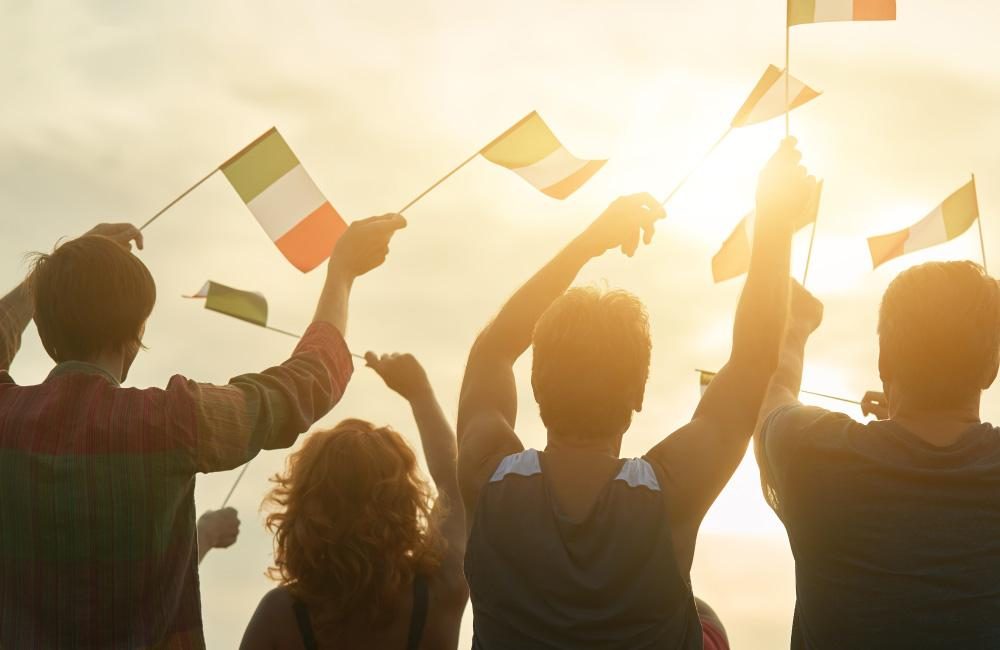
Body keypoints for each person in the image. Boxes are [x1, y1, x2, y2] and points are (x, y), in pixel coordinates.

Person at [457, 138, 817, 649]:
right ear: (638, 394)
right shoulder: (668, 494)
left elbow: (492, 351)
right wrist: (775, 220)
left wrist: (589, 242)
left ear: (535, 385)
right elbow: (757, 358)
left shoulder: (487, 476)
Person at [0, 216, 406, 649]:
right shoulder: (170, 421)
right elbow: (305, 382)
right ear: (136, 333)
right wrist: (341, 273)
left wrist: (52, 281)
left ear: (43, 331)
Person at [755, 262, 1000, 650]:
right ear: (991, 368)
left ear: (884, 359)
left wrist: (796, 327)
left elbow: (772, 392)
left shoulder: (812, 452)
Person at [240, 352, 468, 650]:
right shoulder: (440, 591)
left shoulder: (280, 615)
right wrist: (420, 393)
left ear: (305, 506)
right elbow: (454, 482)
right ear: (402, 502)